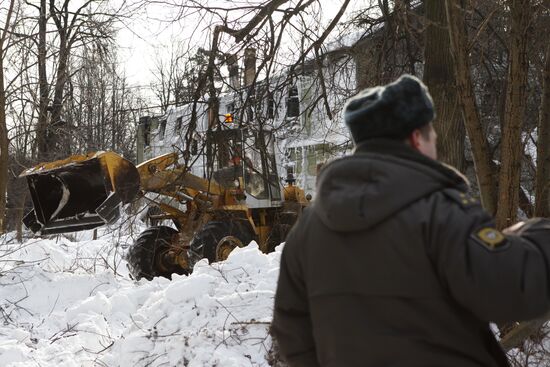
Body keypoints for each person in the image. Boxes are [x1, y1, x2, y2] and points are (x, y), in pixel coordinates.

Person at [271, 74, 550, 367]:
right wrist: (537, 233)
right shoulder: (440, 211)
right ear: (417, 138)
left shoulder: (308, 229)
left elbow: (290, 329)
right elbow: (513, 289)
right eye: (432, 135)